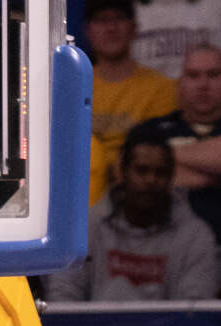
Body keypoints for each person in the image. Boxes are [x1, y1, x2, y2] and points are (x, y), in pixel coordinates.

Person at [126, 44, 221, 276]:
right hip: (158, 253)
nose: (203, 85)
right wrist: (220, 172)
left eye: (214, 75)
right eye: (193, 75)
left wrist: (162, 163)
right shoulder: (151, 131)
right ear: (180, 83)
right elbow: (127, 175)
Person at [46, 136, 221, 301]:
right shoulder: (84, 227)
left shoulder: (195, 235)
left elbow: (194, 310)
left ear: (171, 179)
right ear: (121, 173)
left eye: (161, 173)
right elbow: (63, 297)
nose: (151, 180)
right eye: (141, 170)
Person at [83, 0, 177, 206]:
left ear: (134, 27)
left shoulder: (162, 88)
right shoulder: (75, 85)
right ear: (88, 30)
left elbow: (158, 154)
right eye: (101, 20)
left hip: (137, 193)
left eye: (118, 18)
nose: (111, 27)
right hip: (81, 190)